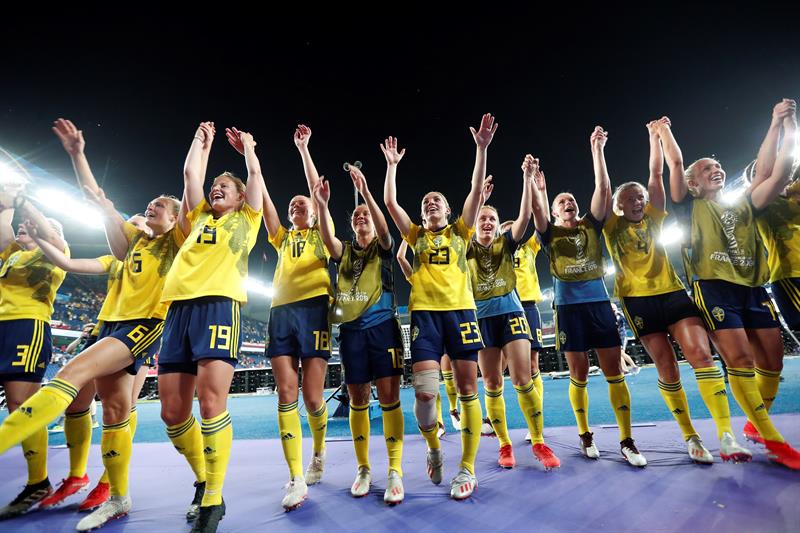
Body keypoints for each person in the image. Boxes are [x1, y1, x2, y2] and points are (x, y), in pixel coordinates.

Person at [0, 117, 185, 531]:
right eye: (146, 206)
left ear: (174, 221)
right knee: (112, 409)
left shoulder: (175, 245)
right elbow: (95, 199)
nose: (148, 208)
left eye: (158, 206)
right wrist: (78, 153)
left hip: (145, 325)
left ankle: (14, 441)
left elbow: (187, 195)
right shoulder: (121, 253)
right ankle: (111, 491)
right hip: (108, 326)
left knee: (74, 376)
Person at [603, 118, 751, 464]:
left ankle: (726, 434)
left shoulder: (655, 217)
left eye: (640, 196)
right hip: (638, 301)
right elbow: (605, 185)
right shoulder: (611, 227)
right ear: (618, 206)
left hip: (672, 293)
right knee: (667, 368)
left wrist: (654, 137)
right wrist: (600, 151)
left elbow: (655, 176)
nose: (638, 200)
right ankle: (691, 436)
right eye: (629, 198)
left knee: (700, 354)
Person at [664, 100, 800, 469]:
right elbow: (675, 165)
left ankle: (756, 425)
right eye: (708, 168)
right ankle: (772, 438)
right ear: (694, 183)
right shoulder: (688, 206)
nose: (717, 169)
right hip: (714, 287)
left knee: (772, 361)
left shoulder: (744, 203)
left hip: (753, 287)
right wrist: (662, 132)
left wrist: (779, 125)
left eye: (719, 165)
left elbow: (779, 170)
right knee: (739, 359)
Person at [157, 122, 264, 532]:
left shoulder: (247, 220)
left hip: (220, 306)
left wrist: (249, 149)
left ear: (239, 199)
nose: (216, 188)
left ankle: (214, 499)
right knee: (171, 413)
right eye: (215, 184)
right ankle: (203, 478)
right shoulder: (199, 216)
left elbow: (254, 177)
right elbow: (189, 177)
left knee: (211, 403)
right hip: (179, 310)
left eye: (225, 185)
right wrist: (200, 143)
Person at [383, 113, 495, 500]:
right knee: (426, 394)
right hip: (425, 317)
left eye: (438, 201)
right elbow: (390, 201)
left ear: (448, 212)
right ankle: (433, 448)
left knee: (467, 391)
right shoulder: (414, 236)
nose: (431, 203)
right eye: (426, 202)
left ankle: (467, 467)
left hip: (461, 313)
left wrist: (481, 149)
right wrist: (392, 167)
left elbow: (475, 188)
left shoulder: (461, 231)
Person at [531, 126, 647, 467]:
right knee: (578, 373)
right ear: (554, 212)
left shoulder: (591, 226)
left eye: (571, 200)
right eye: (561, 202)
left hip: (598, 304)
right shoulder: (549, 233)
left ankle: (627, 440)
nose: (568, 204)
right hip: (568, 308)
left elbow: (603, 188)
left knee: (614, 372)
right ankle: (585, 434)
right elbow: (537, 212)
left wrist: (597, 150)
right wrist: (540, 188)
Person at [34, 214, 160, 512]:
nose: (129, 226)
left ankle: (110, 481)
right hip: (106, 329)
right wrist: (40, 238)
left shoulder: (162, 253)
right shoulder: (115, 259)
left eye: (137, 222)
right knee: (76, 402)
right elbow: (69, 264)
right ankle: (78, 475)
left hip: (142, 329)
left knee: (122, 406)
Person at [313, 162, 405, 504]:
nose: (361, 217)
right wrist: (322, 206)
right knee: (358, 399)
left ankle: (395, 470)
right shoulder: (345, 252)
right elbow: (327, 238)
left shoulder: (381, 248)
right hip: (351, 331)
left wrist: (366, 193)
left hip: (383, 327)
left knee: (390, 396)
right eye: (356, 215)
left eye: (365, 214)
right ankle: (364, 468)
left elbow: (385, 231)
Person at [468, 154, 560, 469]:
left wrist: (527, 178)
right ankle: (505, 445)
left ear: (496, 226)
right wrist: (479, 198)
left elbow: (524, 217)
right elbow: (466, 220)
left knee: (523, 378)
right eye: (482, 219)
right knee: (492, 383)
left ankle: (538, 441)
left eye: (492, 219)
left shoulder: (506, 244)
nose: (487, 223)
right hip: (481, 319)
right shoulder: (465, 248)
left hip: (511, 313)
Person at [262, 125, 334, 510]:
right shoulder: (282, 238)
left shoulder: (322, 232)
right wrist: (252, 160)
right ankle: (294, 476)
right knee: (286, 394)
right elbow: (267, 204)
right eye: (293, 206)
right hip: (281, 313)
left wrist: (304, 149)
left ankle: (319, 452)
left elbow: (316, 193)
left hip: (314, 311)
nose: (296, 208)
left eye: (302, 204)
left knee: (311, 396)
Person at [0, 184, 68, 520]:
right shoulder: (10, 253)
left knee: (21, 405)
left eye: (34, 223)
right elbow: (4, 230)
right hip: (2, 327)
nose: (25, 225)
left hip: (27, 325)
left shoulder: (53, 249)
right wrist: (6, 201)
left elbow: (54, 240)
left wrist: (28, 207)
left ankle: (37, 481)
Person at [398, 235, 459, 433]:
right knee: (433, 383)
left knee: (450, 377)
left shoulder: (448, 273)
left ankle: (453, 410)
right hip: (428, 324)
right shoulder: (416, 277)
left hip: (450, 317)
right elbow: (400, 257)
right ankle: (439, 421)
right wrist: (407, 238)